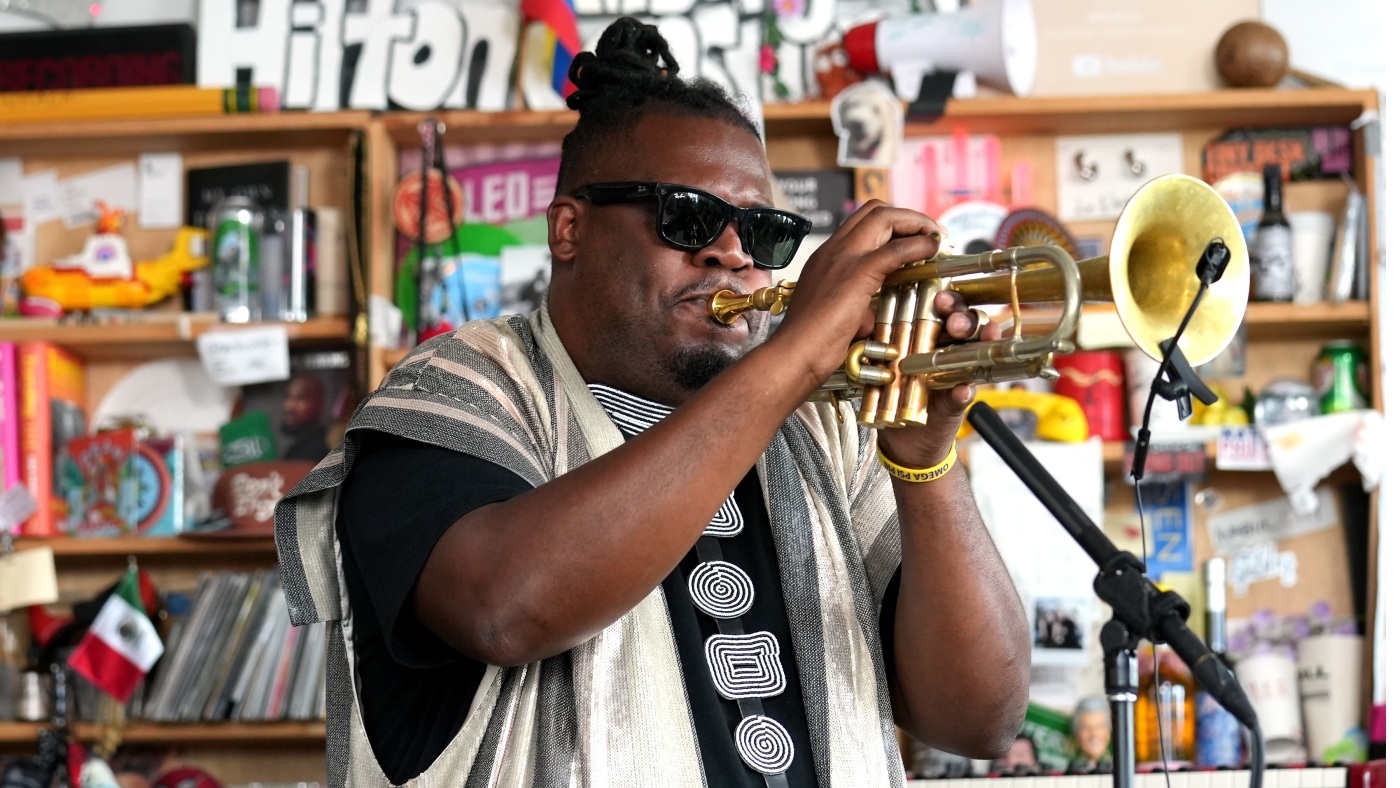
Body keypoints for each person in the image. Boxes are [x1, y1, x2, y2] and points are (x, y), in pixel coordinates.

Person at [275, 17, 1029, 787]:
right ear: (568, 229)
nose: (732, 254)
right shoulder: (455, 386)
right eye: (689, 217)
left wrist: (925, 463)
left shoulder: (823, 424)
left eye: (763, 232)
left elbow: (980, 719)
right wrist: (795, 354)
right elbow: (507, 608)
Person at [278, 373, 329, 462]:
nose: (289, 406)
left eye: (300, 398)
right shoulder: (293, 448)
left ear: (319, 405)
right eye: (288, 397)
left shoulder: (323, 449)